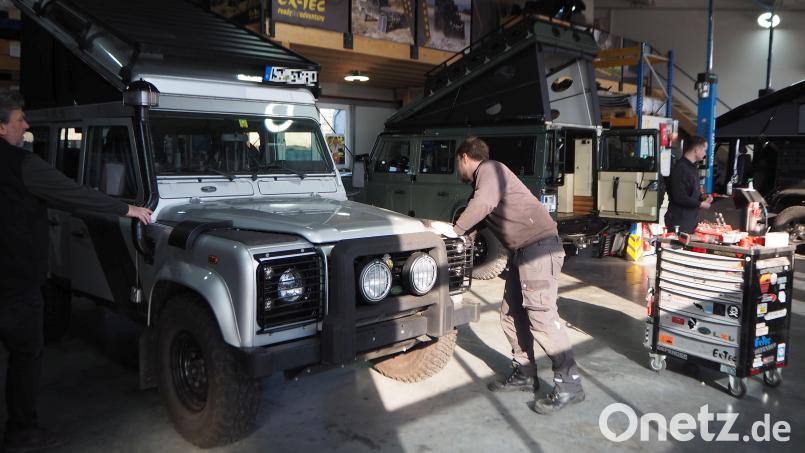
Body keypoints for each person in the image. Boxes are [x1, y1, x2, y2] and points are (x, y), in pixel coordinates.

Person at [0, 92, 152, 452]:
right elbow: (72, 193)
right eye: (20, 119)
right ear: (1, 126)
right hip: (17, 283)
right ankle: (21, 431)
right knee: (26, 354)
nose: (26, 125)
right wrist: (124, 208)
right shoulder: (23, 164)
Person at [439, 137, 584, 414]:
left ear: (465, 158)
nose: (457, 168)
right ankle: (525, 374)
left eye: (457, 163)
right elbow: (478, 218)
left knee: (541, 316)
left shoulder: (490, 170)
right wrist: (456, 236)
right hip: (524, 253)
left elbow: (482, 206)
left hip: (540, 250)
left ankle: (570, 384)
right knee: (511, 313)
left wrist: (455, 230)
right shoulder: (484, 182)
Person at [664, 135, 712, 233]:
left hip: (689, 221)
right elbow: (679, 197)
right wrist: (700, 204)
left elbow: (691, 193)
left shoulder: (693, 168)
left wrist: (703, 197)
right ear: (697, 149)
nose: (705, 153)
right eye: (704, 150)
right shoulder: (680, 168)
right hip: (679, 221)